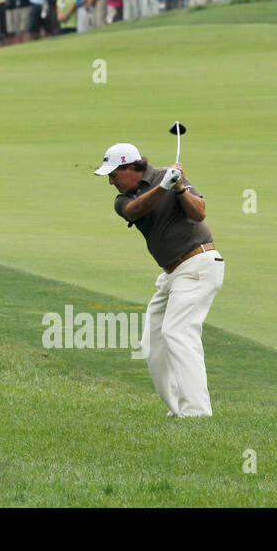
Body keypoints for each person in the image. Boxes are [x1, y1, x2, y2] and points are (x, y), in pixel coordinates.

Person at [94, 142, 223, 417]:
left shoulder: (171, 176)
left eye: (114, 174)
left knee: (178, 332)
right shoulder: (123, 200)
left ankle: (197, 411)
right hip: (173, 274)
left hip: (198, 264)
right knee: (152, 340)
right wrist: (164, 187)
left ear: (131, 168)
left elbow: (199, 212)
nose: (110, 181)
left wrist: (178, 188)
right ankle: (177, 406)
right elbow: (135, 210)